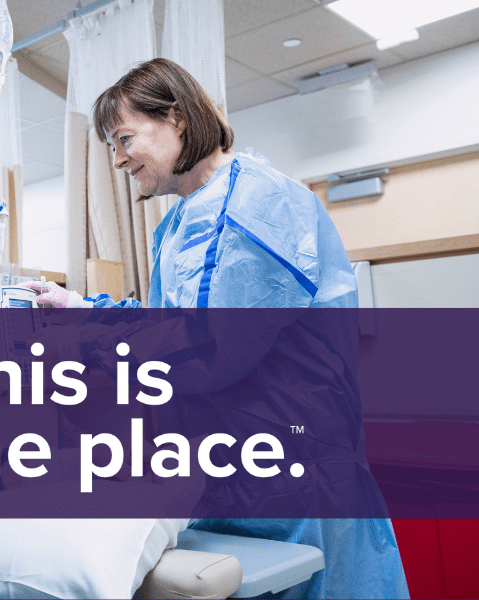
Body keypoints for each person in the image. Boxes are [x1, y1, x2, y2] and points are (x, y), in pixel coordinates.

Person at [26, 58, 409, 599]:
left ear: (177, 118)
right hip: (234, 469)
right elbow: (171, 323)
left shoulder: (254, 205)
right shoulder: (185, 219)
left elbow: (204, 349)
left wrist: (83, 343)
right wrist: (82, 308)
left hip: (290, 474)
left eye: (124, 138)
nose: (117, 160)